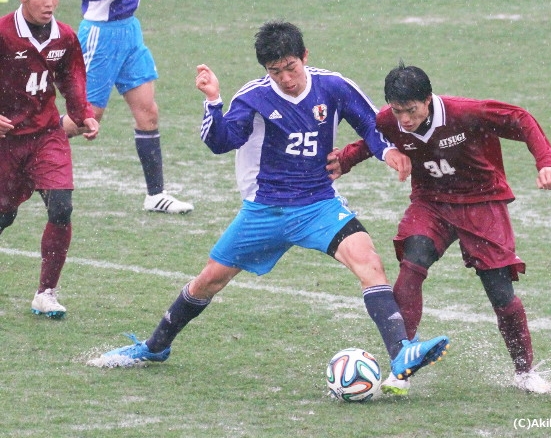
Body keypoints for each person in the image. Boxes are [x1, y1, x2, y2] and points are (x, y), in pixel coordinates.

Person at [94, 22, 449, 386]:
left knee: (369, 261)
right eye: (275, 71)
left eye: (291, 67)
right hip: (265, 209)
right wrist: (214, 100)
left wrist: (387, 151)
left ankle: (401, 351)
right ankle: (155, 346)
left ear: (305, 57)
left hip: (318, 204)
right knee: (208, 282)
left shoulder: (333, 86)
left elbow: (370, 124)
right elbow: (221, 141)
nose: (286, 78)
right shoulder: (254, 97)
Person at [328, 62, 551, 394]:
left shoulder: (466, 113)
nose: (406, 120)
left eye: (411, 110)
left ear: (428, 99)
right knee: (412, 260)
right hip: (431, 201)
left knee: (500, 293)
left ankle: (525, 372)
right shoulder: (390, 119)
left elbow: (520, 118)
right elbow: (376, 138)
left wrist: (547, 163)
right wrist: (345, 159)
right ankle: (402, 362)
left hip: (481, 202)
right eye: (399, 112)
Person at [0, 0, 100, 319]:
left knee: (61, 207)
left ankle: (46, 293)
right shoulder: (3, 33)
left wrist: (82, 113)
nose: (49, 2)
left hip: (46, 136)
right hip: (7, 144)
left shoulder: (65, 36)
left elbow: (72, 77)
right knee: (4, 216)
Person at [62, 0, 193, 214]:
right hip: (101, 35)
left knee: (148, 112)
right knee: (86, 118)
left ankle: (155, 195)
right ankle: (20, 139)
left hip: (130, 31)